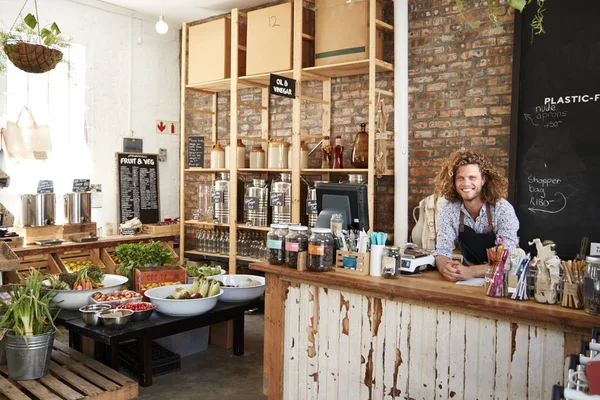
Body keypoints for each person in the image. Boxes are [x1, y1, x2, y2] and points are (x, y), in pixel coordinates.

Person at [433, 149, 519, 282]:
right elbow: (441, 252)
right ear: (453, 182)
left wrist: (472, 271)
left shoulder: (502, 210)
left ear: (483, 180)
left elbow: (506, 259)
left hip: (502, 282)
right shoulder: (449, 211)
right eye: (460, 178)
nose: (466, 183)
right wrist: (446, 267)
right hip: (467, 281)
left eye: (472, 178)